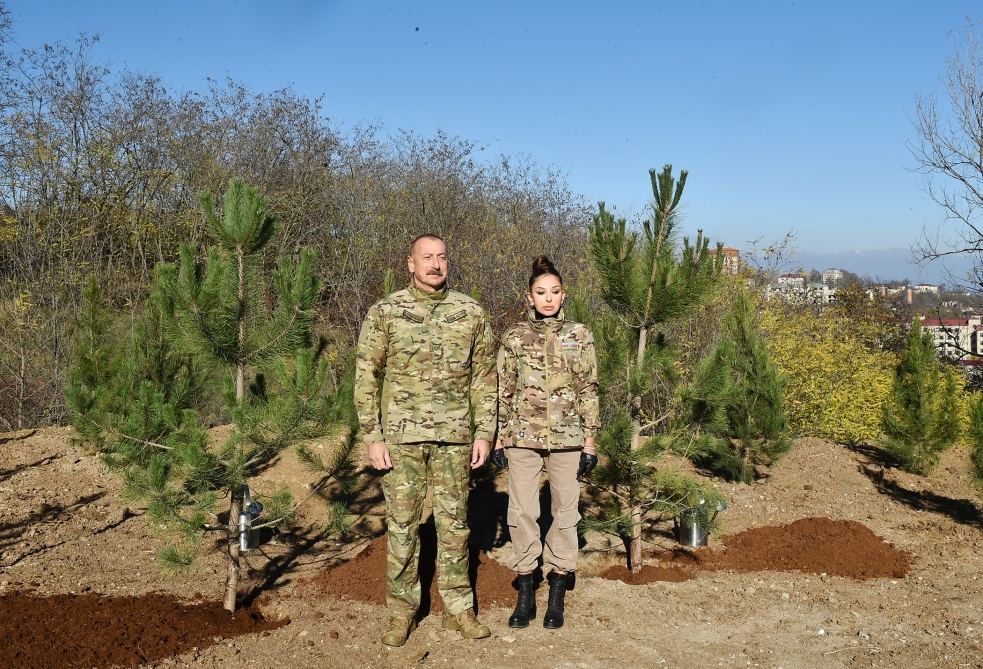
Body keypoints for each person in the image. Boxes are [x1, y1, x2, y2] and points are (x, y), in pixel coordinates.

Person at [354, 233, 497, 647]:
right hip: (401, 439)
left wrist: (485, 431)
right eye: (427, 257)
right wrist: (372, 435)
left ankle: (459, 610)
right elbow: (367, 375)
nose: (435, 264)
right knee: (402, 528)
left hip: (454, 437)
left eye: (441, 257)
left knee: (454, 527)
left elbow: (485, 378)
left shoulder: (470, 312)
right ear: (410, 264)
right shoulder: (386, 311)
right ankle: (402, 612)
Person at [493, 255, 599, 630]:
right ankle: (525, 588)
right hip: (522, 436)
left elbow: (588, 388)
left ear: (564, 295)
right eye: (541, 292)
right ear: (529, 297)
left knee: (565, 512)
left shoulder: (580, 335)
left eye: (554, 292)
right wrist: (499, 438)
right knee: (522, 512)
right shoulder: (515, 337)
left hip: (569, 439)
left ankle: (557, 587)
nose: (548, 298)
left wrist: (589, 440)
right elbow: (503, 389)